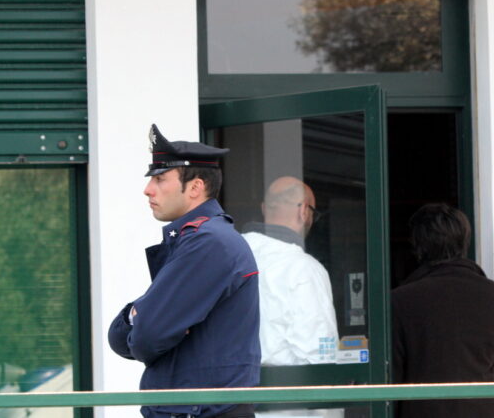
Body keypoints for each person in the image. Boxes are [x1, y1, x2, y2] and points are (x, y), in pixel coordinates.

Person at [108, 125, 261, 418]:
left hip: (201, 412)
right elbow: (121, 338)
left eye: (160, 178)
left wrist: (143, 320)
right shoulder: (198, 239)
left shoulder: (208, 242)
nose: (148, 189)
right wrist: (136, 318)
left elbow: (146, 338)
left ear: (195, 187)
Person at [391, 203, 494, 418]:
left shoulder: (401, 299)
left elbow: (394, 371)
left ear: (418, 246)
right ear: (465, 242)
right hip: (483, 411)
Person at [242, 176, 338, 365]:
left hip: (228, 388)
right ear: (303, 211)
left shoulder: (228, 256)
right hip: (285, 389)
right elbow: (318, 355)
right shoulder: (304, 269)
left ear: (264, 208)